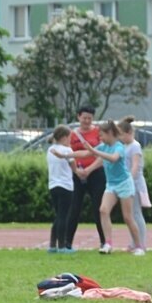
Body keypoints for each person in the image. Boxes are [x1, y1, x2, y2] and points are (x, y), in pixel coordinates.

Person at [70, 120, 145, 256]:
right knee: (103, 210)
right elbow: (85, 153)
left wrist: (94, 151)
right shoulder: (103, 146)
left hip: (124, 184)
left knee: (128, 217)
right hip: (111, 184)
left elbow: (113, 158)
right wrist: (66, 155)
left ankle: (139, 246)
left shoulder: (119, 147)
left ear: (110, 134)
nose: (101, 138)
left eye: (102, 135)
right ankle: (108, 243)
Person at [65, 104, 107, 251]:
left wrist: (89, 169)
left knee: (99, 208)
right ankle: (67, 243)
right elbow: (68, 154)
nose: (87, 121)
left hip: (96, 172)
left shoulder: (98, 132)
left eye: (89, 118)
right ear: (78, 117)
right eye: (84, 118)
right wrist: (76, 170)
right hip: (77, 173)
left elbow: (103, 154)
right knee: (74, 208)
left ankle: (104, 242)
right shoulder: (72, 134)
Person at [118, 116, 152, 252]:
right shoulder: (125, 146)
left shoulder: (135, 146)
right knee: (130, 215)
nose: (119, 137)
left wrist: (129, 181)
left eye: (121, 134)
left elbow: (135, 166)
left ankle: (141, 243)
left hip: (135, 184)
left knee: (136, 214)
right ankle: (134, 242)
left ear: (128, 133)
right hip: (128, 183)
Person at [46, 125, 77, 253]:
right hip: (66, 186)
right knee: (64, 216)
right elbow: (73, 167)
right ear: (64, 137)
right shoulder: (67, 150)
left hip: (53, 185)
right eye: (69, 137)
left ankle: (52, 244)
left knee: (58, 215)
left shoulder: (50, 149)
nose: (70, 140)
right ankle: (62, 246)